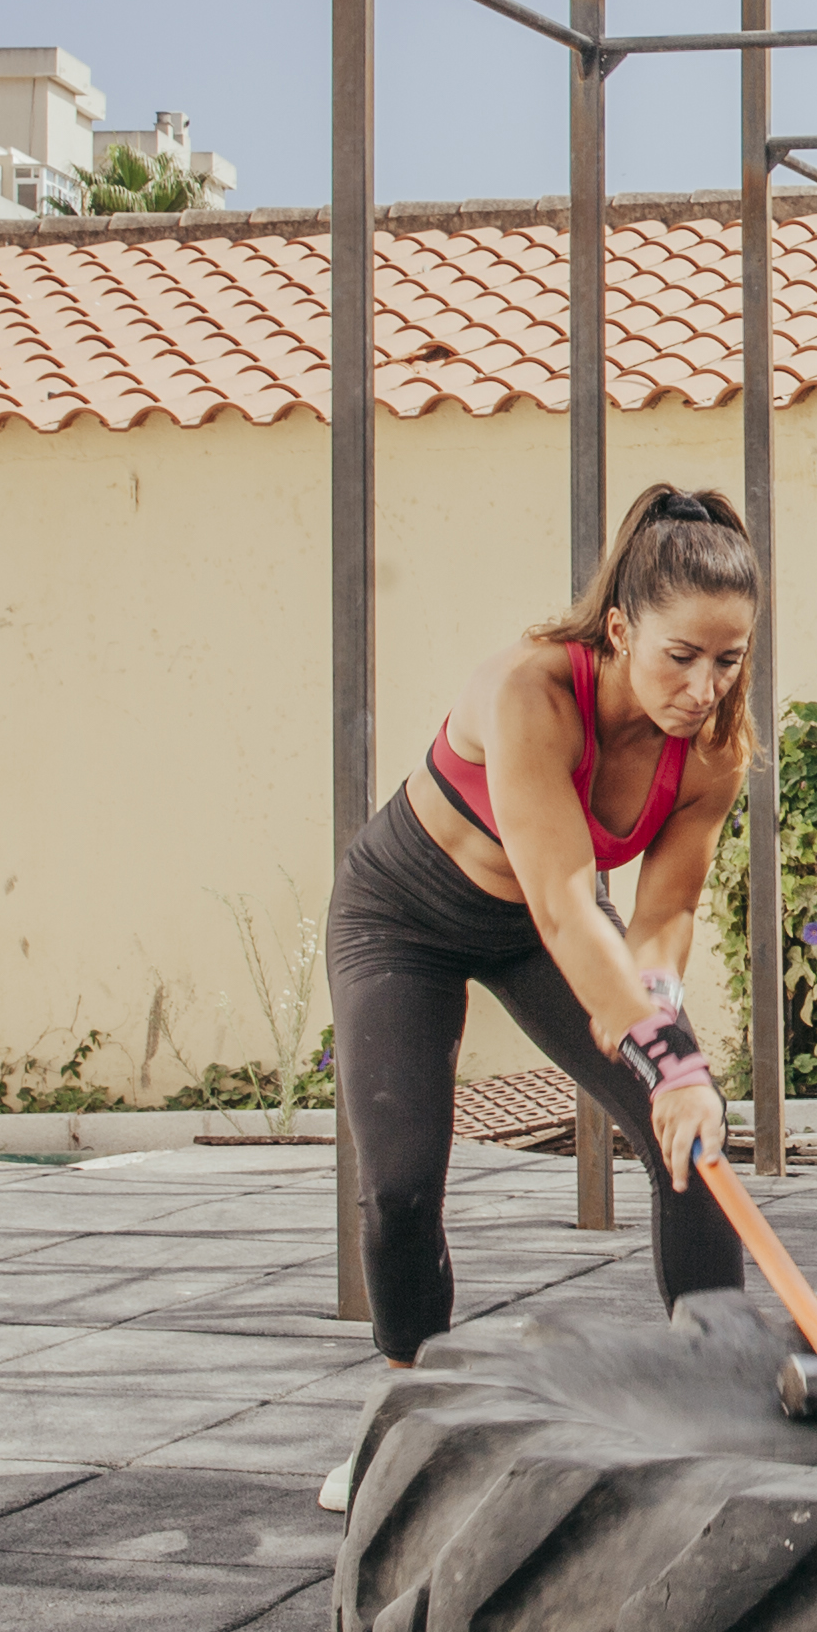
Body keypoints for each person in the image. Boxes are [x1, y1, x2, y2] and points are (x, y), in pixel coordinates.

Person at [317, 480, 759, 1508]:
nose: (704, 686)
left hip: (536, 934)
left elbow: (660, 919)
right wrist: (667, 1050)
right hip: (404, 921)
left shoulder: (714, 746)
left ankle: (720, 1399)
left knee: (689, 1135)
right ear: (618, 629)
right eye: (680, 657)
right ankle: (404, 1419)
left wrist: (665, 1036)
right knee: (399, 1186)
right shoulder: (529, 692)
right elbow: (569, 906)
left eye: (729, 660)